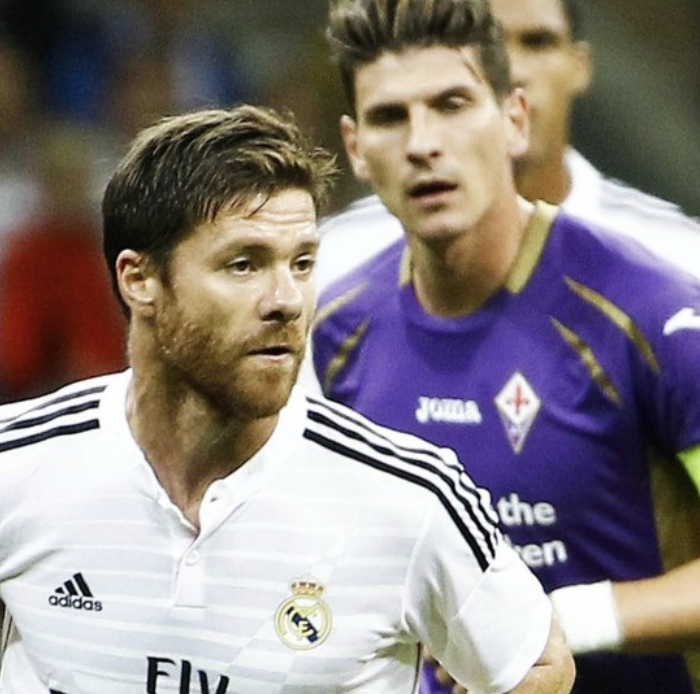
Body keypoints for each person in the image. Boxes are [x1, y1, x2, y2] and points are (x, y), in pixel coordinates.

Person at [0, 104, 573, 694]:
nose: (287, 300)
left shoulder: (411, 497)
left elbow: (539, 665)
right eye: (243, 264)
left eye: (302, 263)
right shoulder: (17, 466)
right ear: (139, 279)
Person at [312, 1, 700, 693]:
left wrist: (566, 621)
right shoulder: (336, 332)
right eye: (390, 117)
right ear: (355, 147)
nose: (423, 143)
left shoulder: (652, 314)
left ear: (515, 119)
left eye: (452, 105)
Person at [313, 0, 700, 294]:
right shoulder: (333, 264)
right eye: (494, 43)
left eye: (538, 42)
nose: (515, 69)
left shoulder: (678, 259)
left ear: (580, 65)